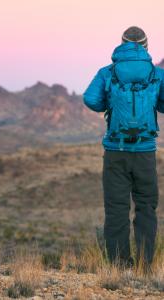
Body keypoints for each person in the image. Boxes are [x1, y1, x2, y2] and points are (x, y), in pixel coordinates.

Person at [83, 26, 164, 270]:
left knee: (116, 208)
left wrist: (108, 104)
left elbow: (90, 99)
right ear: (146, 45)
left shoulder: (107, 72)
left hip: (115, 152)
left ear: (122, 43)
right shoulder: (157, 74)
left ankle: (119, 266)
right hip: (145, 152)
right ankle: (144, 265)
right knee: (146, 207)